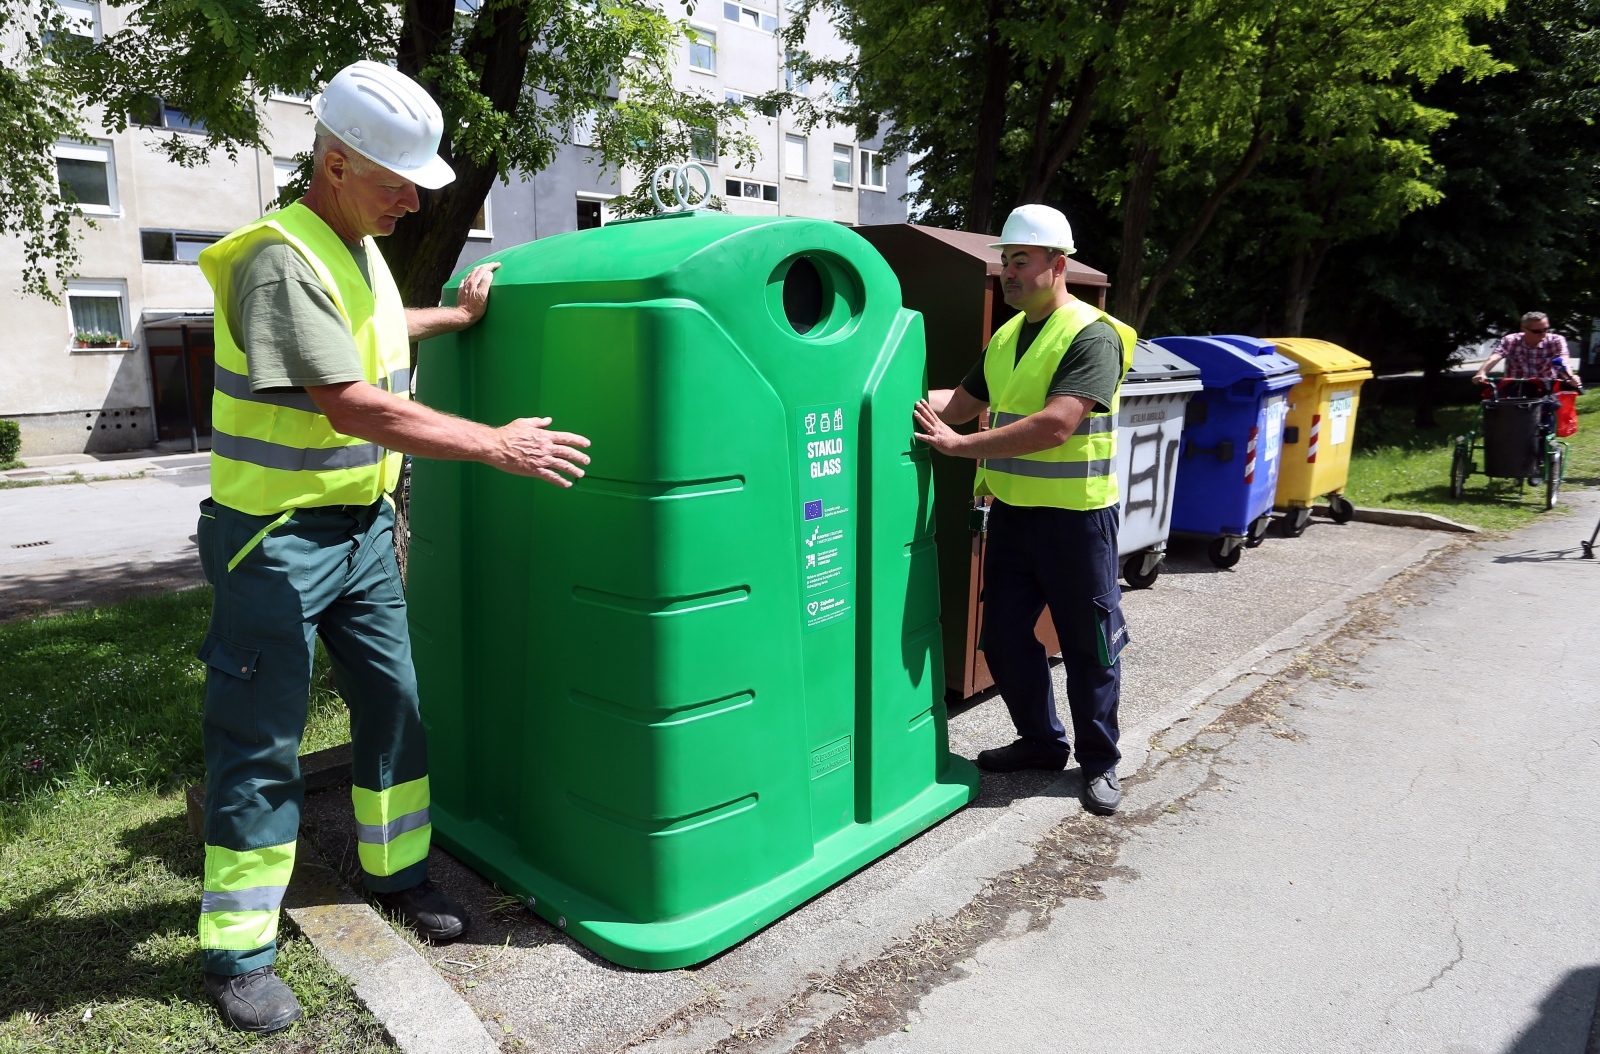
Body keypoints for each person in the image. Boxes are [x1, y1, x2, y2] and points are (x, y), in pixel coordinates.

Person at [193, 60, 591, 1034]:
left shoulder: (353, 247)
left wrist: (451, 316)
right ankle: (237, 950)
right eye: (396, 179)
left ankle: (396, 870)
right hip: (275, 545)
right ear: (334, 162)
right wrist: (495, 443)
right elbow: (351, 400)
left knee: (395, 706)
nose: (414, 198)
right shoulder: (274, 257)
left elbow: (368, 332)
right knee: (258, 744)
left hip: (361, 530)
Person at [912, 204, 1134, 816]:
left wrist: (963, 448)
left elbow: (1058, 424)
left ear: (1056, 265)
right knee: (1005, 640)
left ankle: (1100, 762)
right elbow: (956, 404)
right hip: (1012, 516)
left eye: (1020, 261)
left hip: (1077, 520)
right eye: (1005, 262)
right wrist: (873, 393)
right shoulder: (1007, 337)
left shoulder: (1092, 334)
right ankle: (1041, 743)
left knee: (1090, 645)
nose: (1008, 273)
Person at [1473, 311, 1582, 389]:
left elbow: (1563, 361)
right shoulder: (1510, 340)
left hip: (1545, 388)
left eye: (1546, 329)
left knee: (1547, 417)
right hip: (1515, 388)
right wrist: (1481, 373)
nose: (1543, 333)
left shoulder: (1556, 340)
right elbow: (1495, 357)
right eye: (1538, 331)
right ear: (1524, 329)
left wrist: (1570, 377)